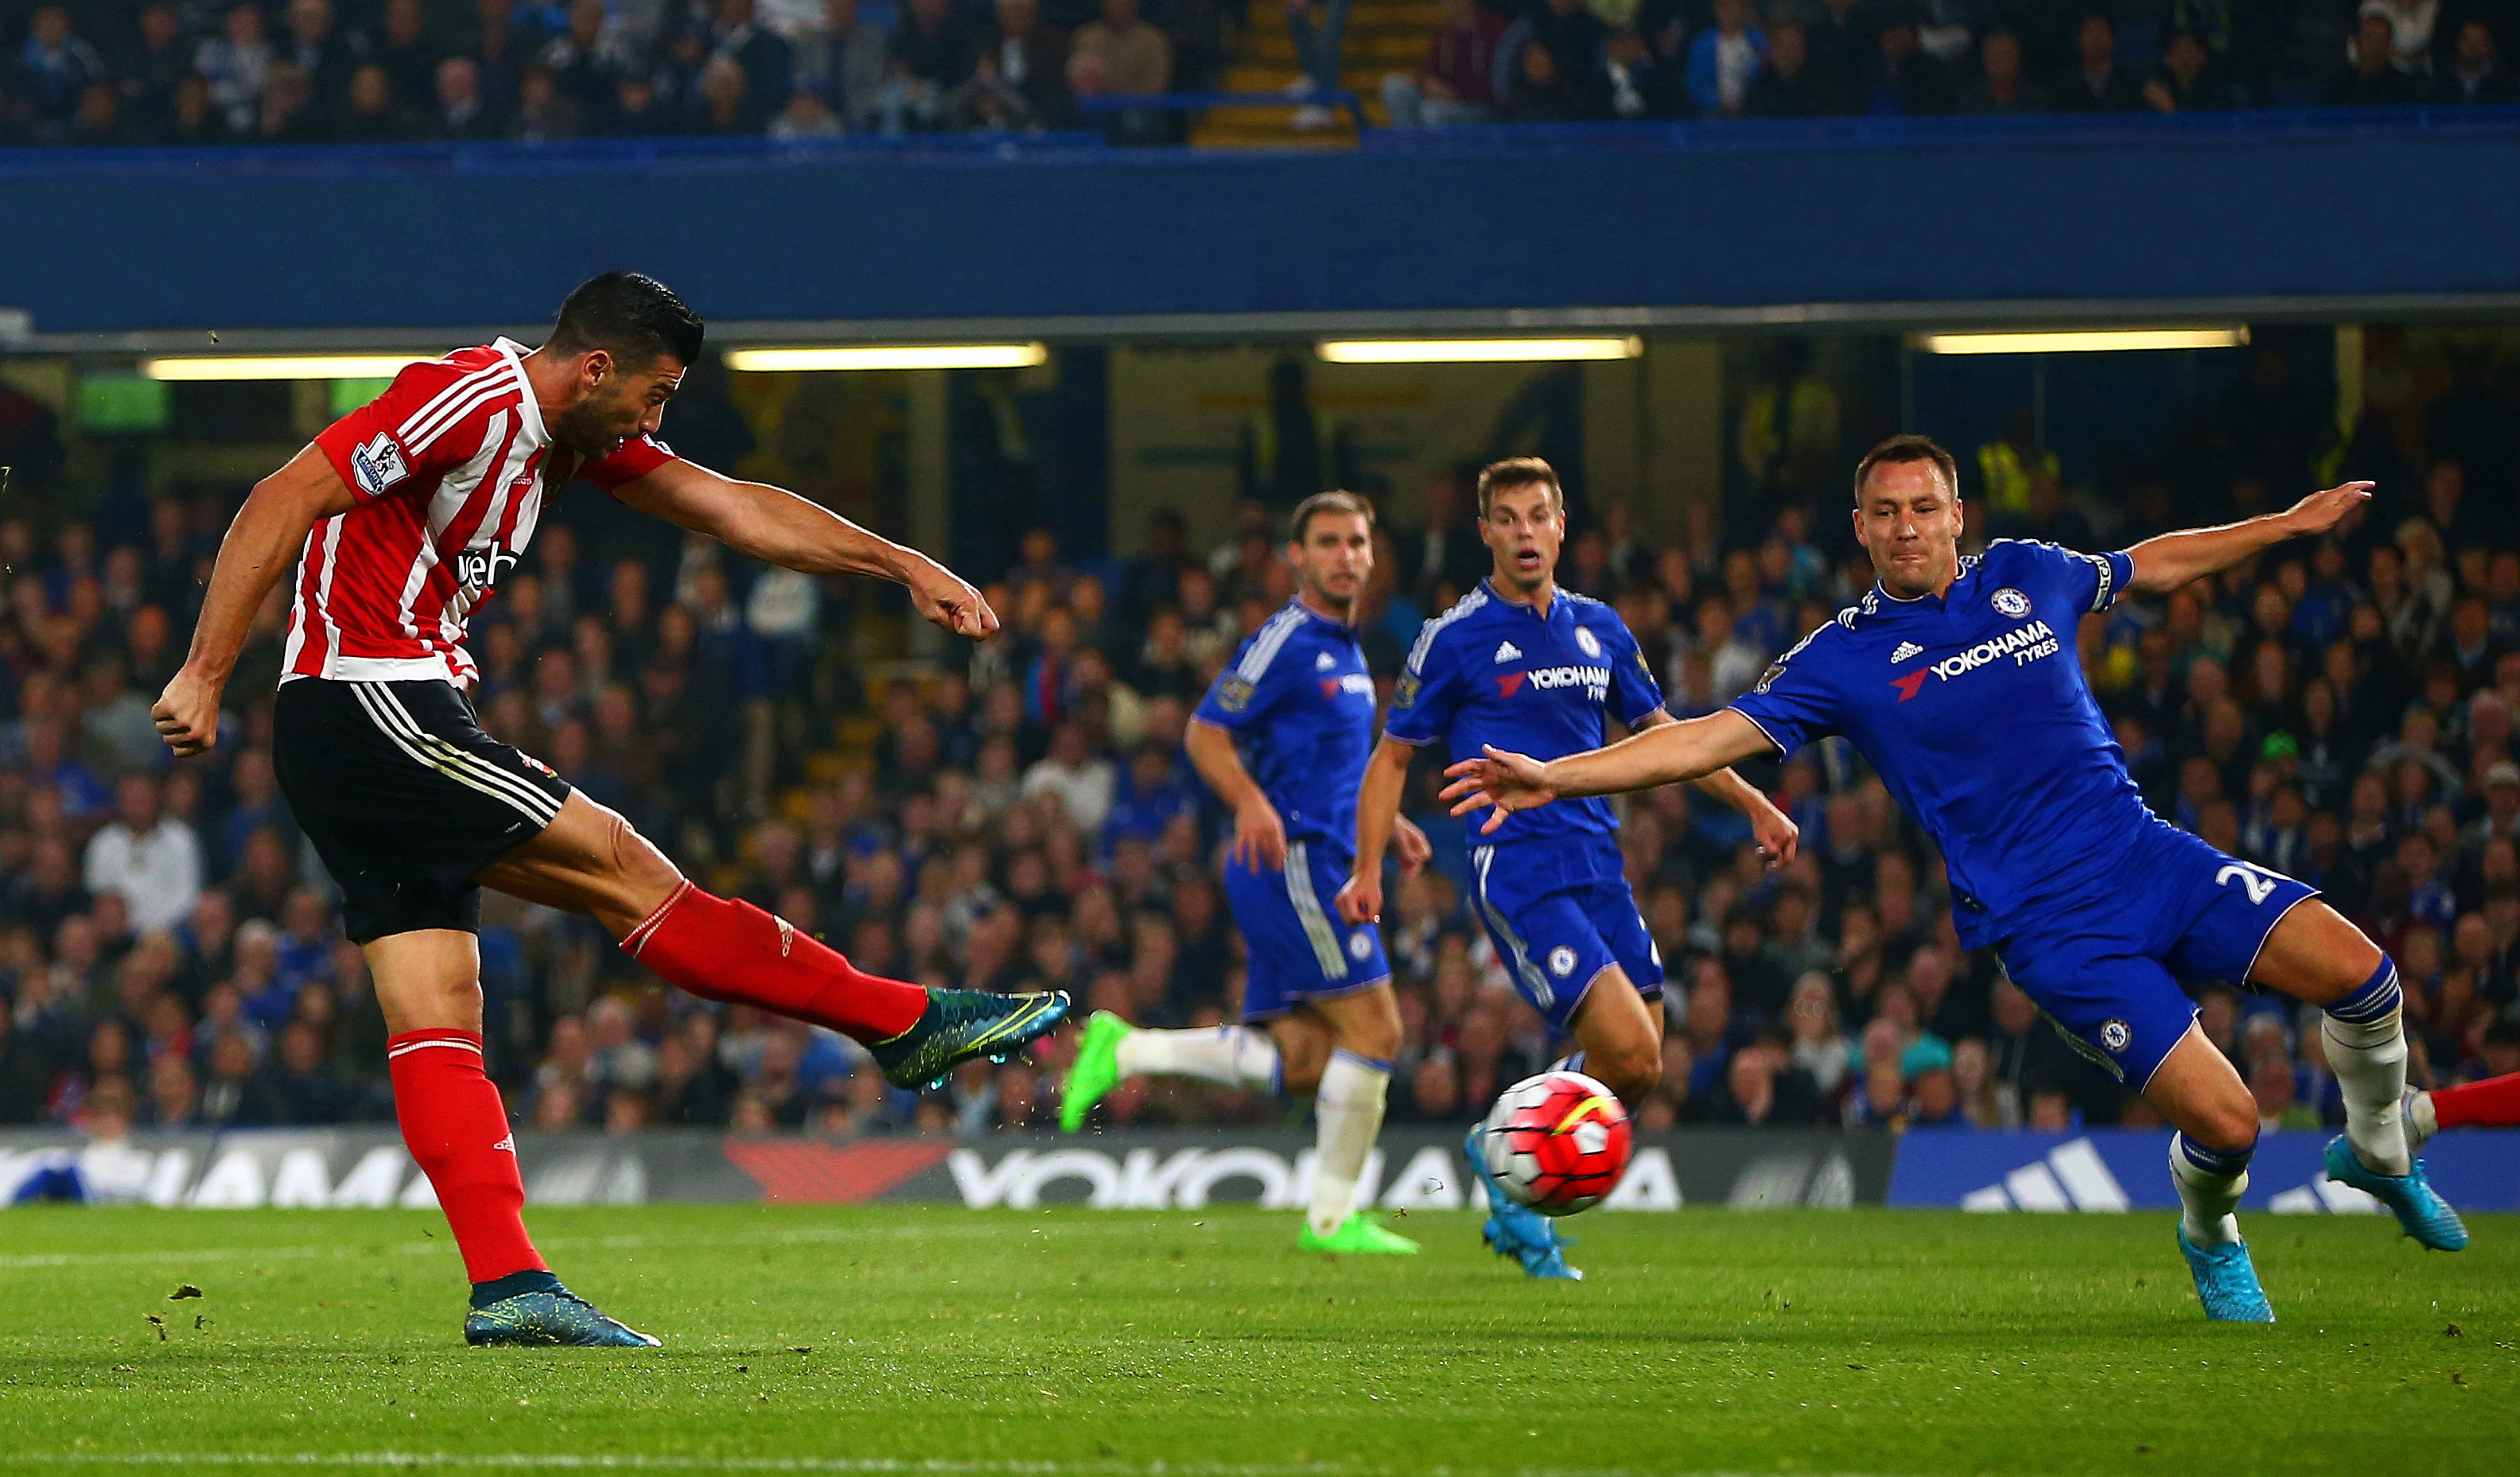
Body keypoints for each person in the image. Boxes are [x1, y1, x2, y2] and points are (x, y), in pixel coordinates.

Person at [150, 273, 1068, 1348]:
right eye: (656, 394)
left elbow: (729, 504)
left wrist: (899, 561)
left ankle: (510, 1287)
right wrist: (206, 672)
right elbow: (282, 495)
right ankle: (902, 1021)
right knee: (633, 874)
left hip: (356, 724)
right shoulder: (468, 399)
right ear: (596, 368)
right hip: (371, 703)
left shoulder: (563, 440)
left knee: (437, 1004)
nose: (656, 417)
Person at [1442, 435, 2468, 1322]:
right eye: (1885, 513)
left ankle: (2379, 1150)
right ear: (1860, 527)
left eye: (1923, 508)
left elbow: (2154, 563)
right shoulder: (1841, 658)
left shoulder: (2029, 573)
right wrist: (1553, 773)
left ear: (1956, 514)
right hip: (2051, 929)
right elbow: (1706, 736)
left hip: (2149, 856)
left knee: (2366, 973)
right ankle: (2212, 1237)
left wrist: (2286, 525)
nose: (1906, 527)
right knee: (2232, 1124)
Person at [1344, 457, 1797, 1278]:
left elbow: (1669, 736)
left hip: (1600, 863)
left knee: (1641, 1065)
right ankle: (1515, 1154)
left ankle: (1506, 1145)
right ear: (1484, 532)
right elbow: (1391, 758)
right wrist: (1367, 867)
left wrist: (1754, 805)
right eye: (1508, 518)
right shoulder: (1454, 637)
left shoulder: (1601, 628)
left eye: (1539, 516)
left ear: (1562, 526)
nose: (1525, 533)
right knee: (1629, 1051)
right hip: (1520, 868)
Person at [1063, 493, 1428, 1255]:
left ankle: (1125, 1049)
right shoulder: (1286, 639)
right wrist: (1252, 802)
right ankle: (1332, 1220)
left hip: (1309, 851)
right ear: (1296, 556)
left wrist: (1383, 817)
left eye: (1357, 541)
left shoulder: (1347, 645)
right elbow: (1205, 731)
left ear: (1372, 553)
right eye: (1327, 541)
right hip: (1296, 861)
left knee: (1305, 1062)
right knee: (1378, 1028)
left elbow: (1331, 764)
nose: (1345, 555)